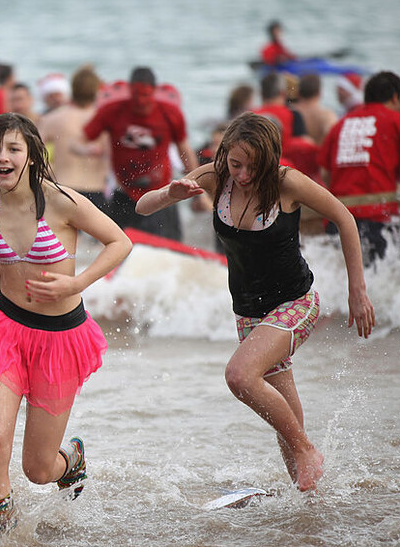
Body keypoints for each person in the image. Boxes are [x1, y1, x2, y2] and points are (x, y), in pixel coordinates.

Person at [135, 112, 375, 492]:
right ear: (225, 154)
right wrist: (171, 194)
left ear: (270, 159)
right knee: (282, 406)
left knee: (240, 376)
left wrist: (357, 290)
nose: (243, 174)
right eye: (236, 164)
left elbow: (344, 218)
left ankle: (308, 453)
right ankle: (307, 494)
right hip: (248, 312)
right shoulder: (213, 176)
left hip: (295, 302)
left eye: (253, 166)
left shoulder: (286, 182)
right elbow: (142, 208)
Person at [0, 113, 131, 528]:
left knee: (38, 470)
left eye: (13, 148)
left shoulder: (62, 200)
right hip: (5, 331)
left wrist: (76, 283)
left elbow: (120, 241)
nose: (2, 157)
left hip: (60, 339)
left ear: (31, 154)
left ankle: (72, 459)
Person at [318, 71, 400, 265]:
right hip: (377, 216)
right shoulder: (399, 121)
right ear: (396, 97)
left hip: (338, 217)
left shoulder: (340, 124)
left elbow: (325, 174)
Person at [83, 66, 198, 240]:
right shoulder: (112, 111)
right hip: (124, 191)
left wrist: (195, 181)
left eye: (146, 95)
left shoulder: (170, 113)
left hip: (161, 194)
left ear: (154, 92)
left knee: (164, 248)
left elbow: (184, 147)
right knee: (117, 244)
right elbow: (83, 138)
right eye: (136, 95)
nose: (141, 101)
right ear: (129, 91)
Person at [37, 64, 111, 212]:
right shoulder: (105, 120)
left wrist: (50, 173)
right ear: (97, 90)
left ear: (72, 88)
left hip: (64, 188)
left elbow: (33, 152)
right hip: (95, 190)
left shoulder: (53, 118)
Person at [292, 74, 337, 146]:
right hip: (317, 154)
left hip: (291, 155)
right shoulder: (326, 115)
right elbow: (333, 138)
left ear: (298, 92)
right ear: (319, 93)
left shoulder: (289, 111)